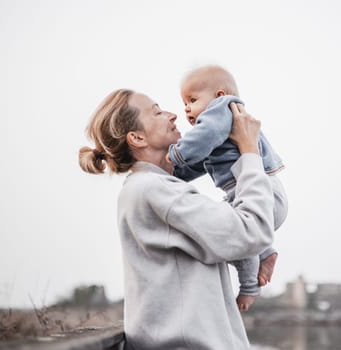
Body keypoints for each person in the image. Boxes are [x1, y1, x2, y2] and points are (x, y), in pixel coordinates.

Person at [78, 89, 275, 349]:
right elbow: (252, 232)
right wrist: (249, 152)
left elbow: (235, 236)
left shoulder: (148, 188)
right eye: (157, 112)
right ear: (136, 137)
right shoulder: (154, 190)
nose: (172, 116)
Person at [167, 65, 288, 311]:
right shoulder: (221, 130)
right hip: (263, 194)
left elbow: (201, 139)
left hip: (262, 193)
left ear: (219, 95)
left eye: (192, 100)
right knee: (219, 226)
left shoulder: (221, 111)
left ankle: (249, 286)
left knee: (224, 235)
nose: (187, 108)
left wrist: (177, 153)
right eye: (185, 103)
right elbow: (198, 163)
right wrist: (174, 172)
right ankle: (264, 253)